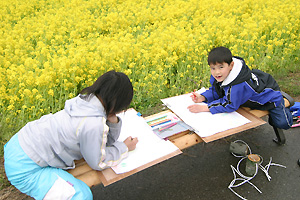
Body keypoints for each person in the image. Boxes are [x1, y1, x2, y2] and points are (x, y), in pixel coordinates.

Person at [4, 70, 138, 200]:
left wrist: (112, 120)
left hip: (19, 144)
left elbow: (102, 141)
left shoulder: (85, 100)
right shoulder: (93, 123)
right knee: (80, 195)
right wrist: (124, 147)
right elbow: (98, 162)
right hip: (25, 169)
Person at [188, 46, 293, 130]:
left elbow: (230, 105)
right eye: (213, 68)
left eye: (221, 67)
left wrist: (205, 108)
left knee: (282, 123)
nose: (217, 72)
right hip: (247, 99)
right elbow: (217, 91)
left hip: (268, 98)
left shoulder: (238, 85)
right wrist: (203, 97)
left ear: (231, 65)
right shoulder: (220, 76)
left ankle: (283, 100)